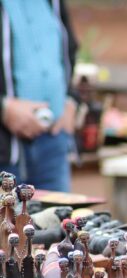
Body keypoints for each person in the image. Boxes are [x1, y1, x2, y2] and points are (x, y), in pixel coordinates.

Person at [0, 0, 78, 192]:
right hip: (5, 148)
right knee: (8, 221)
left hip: (52, 141)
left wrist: (70, 100)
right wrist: (3, 108)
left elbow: (69, 49)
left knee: (55, 219)